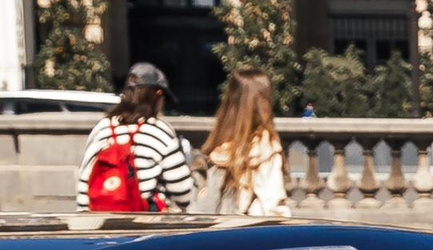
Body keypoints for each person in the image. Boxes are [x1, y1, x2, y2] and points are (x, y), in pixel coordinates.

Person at [79, 64, 194, 215]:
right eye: (161, 95)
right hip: (144, 228)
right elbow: (183, 192)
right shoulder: (158, 131)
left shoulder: (102, 127)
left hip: (97, 224)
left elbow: (84, 181)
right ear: (155, 96)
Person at [199, 71, 288, 223]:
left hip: (215, 232)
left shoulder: (216, 146)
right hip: (251, 234)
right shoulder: (265, 148)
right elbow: (273, 203)